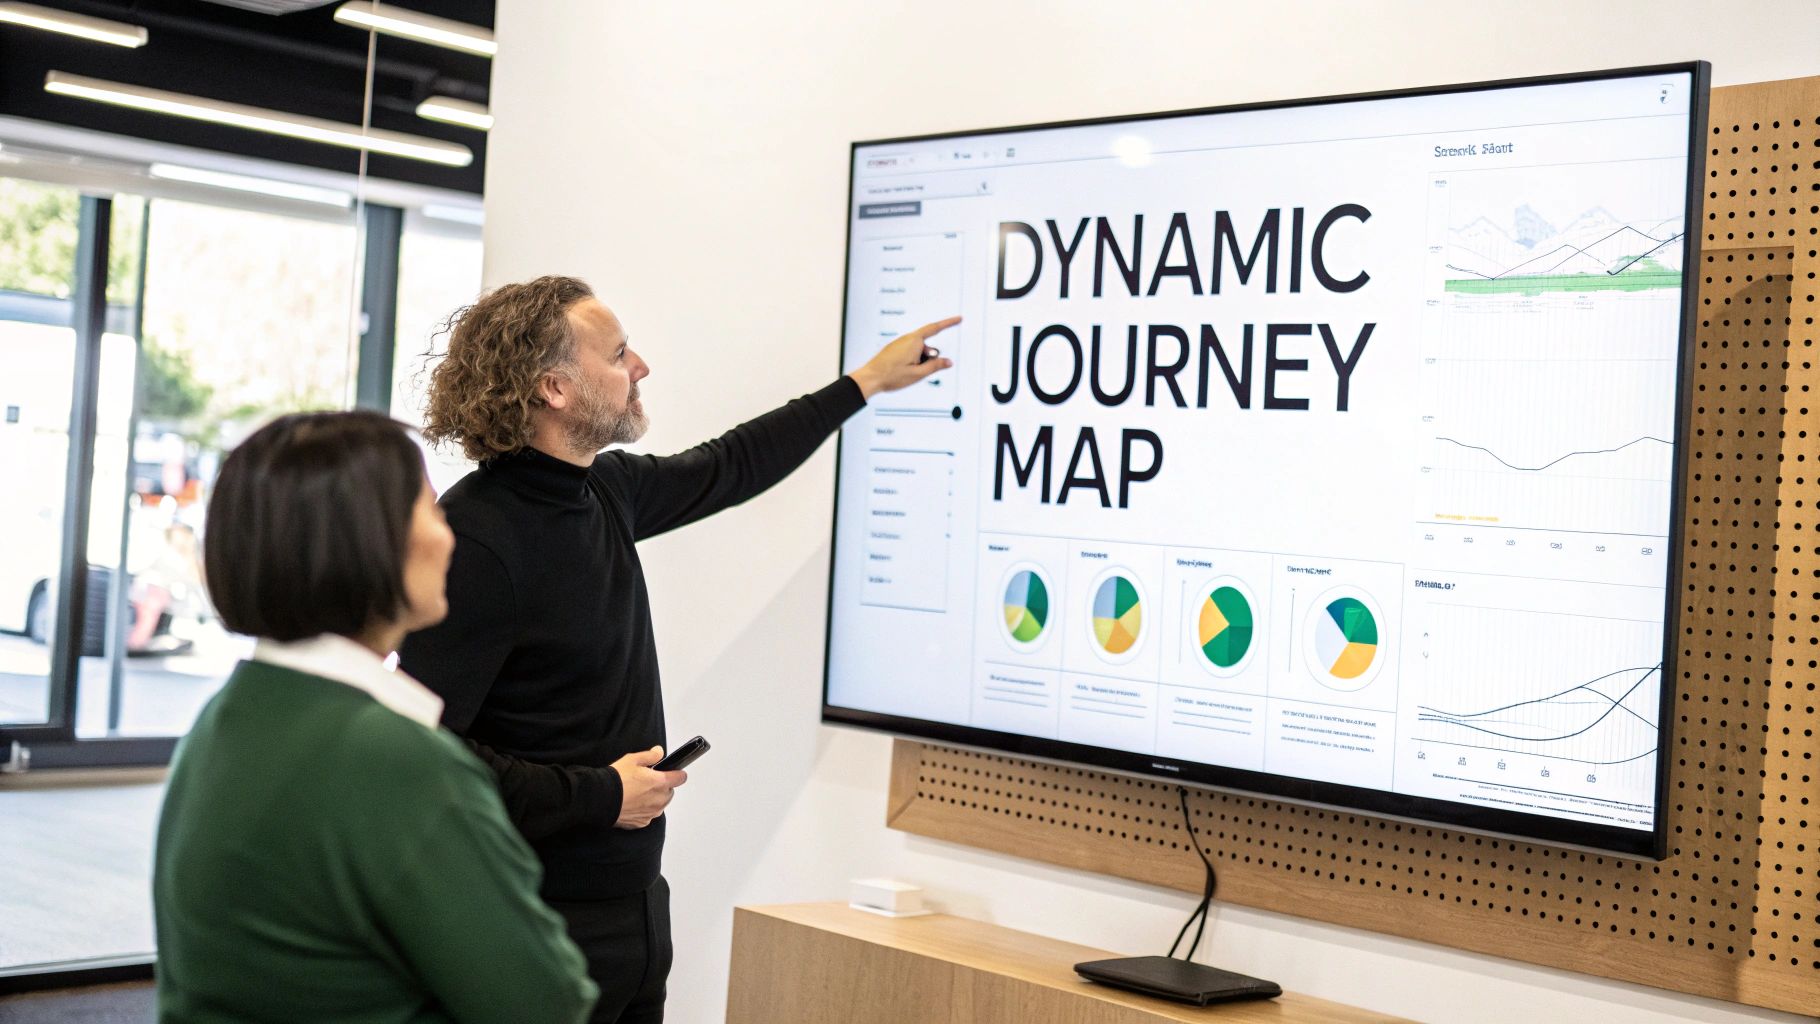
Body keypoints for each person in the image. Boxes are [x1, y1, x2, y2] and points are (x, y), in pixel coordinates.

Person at [398, 276, 956, 1022]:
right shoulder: (477, 540)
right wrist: (601, 795)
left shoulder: (604, 491)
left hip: (632, 907)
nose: (642, 367)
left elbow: (731, 466)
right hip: (525, 916)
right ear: (554, 388)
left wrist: (863, 384)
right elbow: (424, 752)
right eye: (620, 353)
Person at [153, 410, 598, 1024]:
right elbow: (547, 1003)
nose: (448, 535)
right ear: (366, 537)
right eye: (429, 507)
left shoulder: (227, 718)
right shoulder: (398, 761)